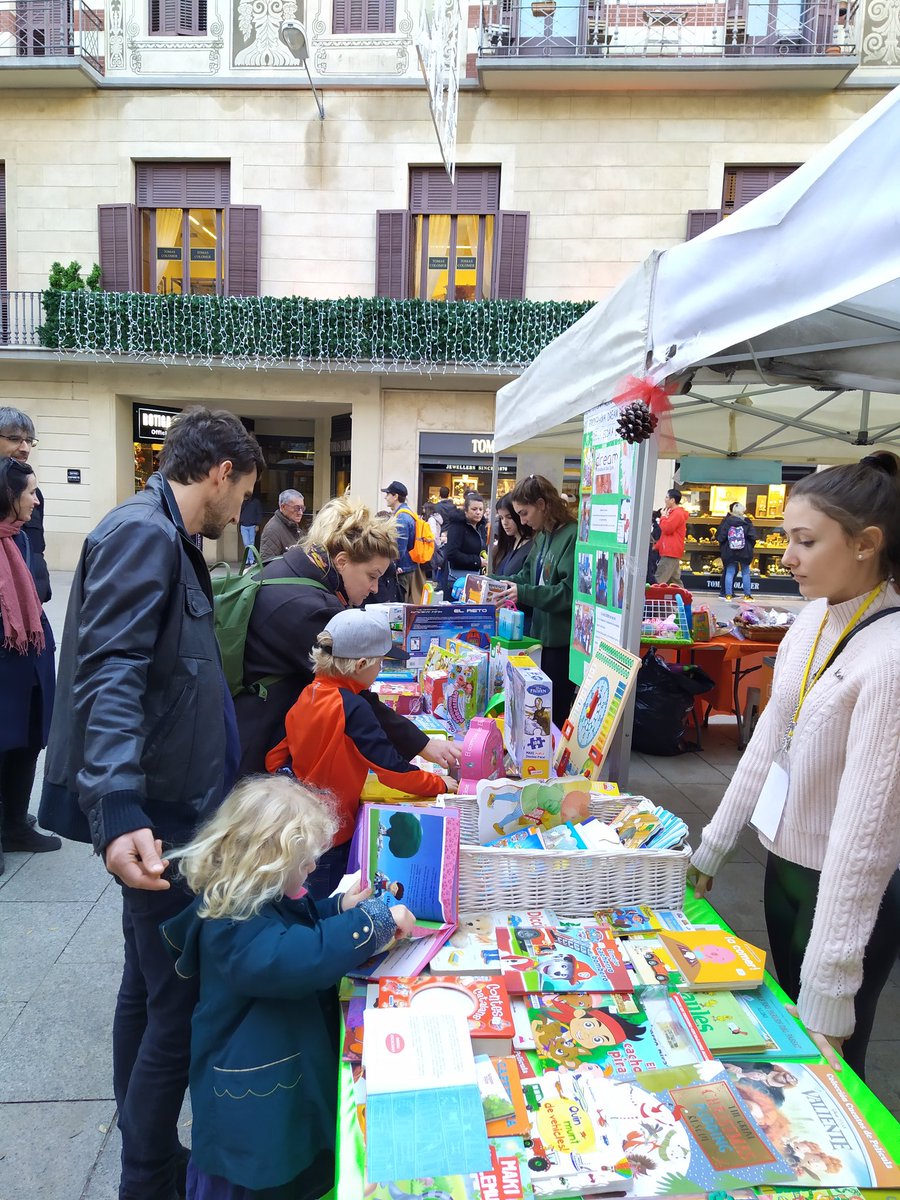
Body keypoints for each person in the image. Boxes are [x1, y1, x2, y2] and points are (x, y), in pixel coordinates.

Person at [38, 406, 265, 1200]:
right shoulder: (144, 532)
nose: (243, 510)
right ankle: (148, 1174)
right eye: (243, 492)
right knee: (174, 1001)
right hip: (158, 813)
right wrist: (121, 806)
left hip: (169, 802)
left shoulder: (163, 532)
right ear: (219, 472)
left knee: (148, 986)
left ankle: (147, 1151)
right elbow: (112, 674)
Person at [689, 452, 900, 1081]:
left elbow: (865, 839)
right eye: (786, 538)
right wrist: (715, 844)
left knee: (835, 1054)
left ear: (866, 544)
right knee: (791, 1030)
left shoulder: (888, 659)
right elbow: (769, 742)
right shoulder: (812, 619)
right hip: (784, 867)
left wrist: (833, 978)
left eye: (806, 541)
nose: (786, 558)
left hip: (851, 893)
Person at [161, 773, 413, 1200]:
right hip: (254, 1118)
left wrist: (339, 906)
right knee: (266, 1180)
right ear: (268, 863)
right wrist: (374, 922)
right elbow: (297, 957)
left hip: (278, 1082)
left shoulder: (250, 897)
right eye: (306, 860)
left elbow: (294, 925)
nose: (314, 866)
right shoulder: (231, 927)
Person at [234, 495, 460, 779]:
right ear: (342, 561)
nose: (376, 588)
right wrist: (423, 745)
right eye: (372, 575)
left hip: (255, 727)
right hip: (261, 749)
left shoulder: (293, 571)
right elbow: (352, 697)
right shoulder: (310, 609)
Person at [266, 608, 455, 897]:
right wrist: (440, 784)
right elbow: (392, 771)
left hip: (301, 821)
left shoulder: (309, 693)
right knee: (326, 901)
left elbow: (276, 756)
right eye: (380, 664)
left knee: (300, 895)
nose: (381, 671)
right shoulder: (352, 708)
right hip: (333, 828)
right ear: (361, 664)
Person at [0, 457, 59, 873]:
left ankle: (15, 825)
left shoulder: (18, 538)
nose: (36, 500)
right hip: (4, 662)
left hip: (30, 657)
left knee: (29, 740)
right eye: (29, 492)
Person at [494, 474, 577, 729]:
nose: (522, 520)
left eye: (524, 512)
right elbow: (525, 577)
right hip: (539, 639)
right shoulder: (542, 536)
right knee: (538, 715)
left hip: (561, 644)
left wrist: (522, 592)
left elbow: (568, 593)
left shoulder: (572, 535)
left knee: (552, 718)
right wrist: (493, 583)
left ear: (542, 504)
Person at [0, 407, 50, 603]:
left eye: (29, 441)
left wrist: (39, 586)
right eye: (14, 439)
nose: (25, 448)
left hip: (30, 599)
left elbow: (37, 548)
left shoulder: (34, 494)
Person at [382, 480, 425, 603]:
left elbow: (398, 547)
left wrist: (394, 566)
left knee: (403, 603)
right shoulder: (408, 513)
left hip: (403, 570)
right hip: (410, 566)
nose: (386, 497)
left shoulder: (401, 517)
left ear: (395, 496)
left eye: (388, 494)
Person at [443, 491, 487, 589]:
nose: (478, 512)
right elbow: (451, 553)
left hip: (476, 577)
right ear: (466, 510)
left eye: (481, 509)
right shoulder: (457, 526)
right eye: (474, 509)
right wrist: (477, 561)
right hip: (457, 580)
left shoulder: (481, 527)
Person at [717, 501, 757, 600]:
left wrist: (724, 546)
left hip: (730, 551)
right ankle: (747, 595)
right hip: (744, 551)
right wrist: (749, 546)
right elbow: (753, 536)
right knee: (745, 572)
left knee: (730, 572)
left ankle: (728, 595)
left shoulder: (728, 521)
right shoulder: (747, 522)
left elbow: (721, 537)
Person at [493, 493, 533, 576]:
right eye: (501, 518)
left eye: (509, 517)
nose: (504, 523)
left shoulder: (531, 547)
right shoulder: (507, 543)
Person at [654, 488, 687, 585]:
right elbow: (666, 534)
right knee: (675, 581)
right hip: (671, 550)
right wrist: (657, 546)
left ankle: (651, 597)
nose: (665, 499)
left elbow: (667, 529)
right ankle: (684, 598)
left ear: (672, 500)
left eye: (667, 497)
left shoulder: (677, 513)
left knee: (659, 579)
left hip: (670, 551)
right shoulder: (675, 513)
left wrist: (663, 517)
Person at [260, 488, 305, 559]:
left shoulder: (293, 526)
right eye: (296, 508)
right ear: (283, 507)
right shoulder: (272, 530)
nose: (300, 512)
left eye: (302, 508)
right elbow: (268, 564)